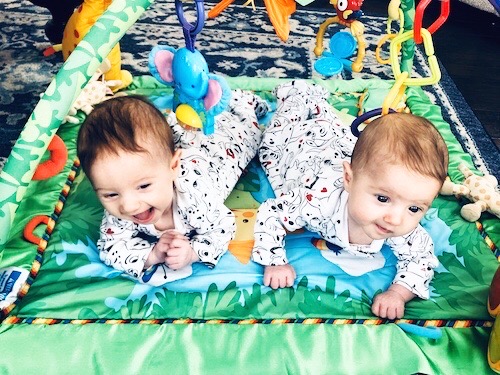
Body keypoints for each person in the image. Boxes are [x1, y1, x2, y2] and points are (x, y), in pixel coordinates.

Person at [252, 80, 449, 319]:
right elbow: (272, 214)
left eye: (415, 208)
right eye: (382, 198)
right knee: (276, 136)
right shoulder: (318, 202)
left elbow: (421, 258)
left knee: (352, 143)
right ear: (349, 179)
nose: (396, 218)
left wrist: (398, 293)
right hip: (301, 151)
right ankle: (298, 93)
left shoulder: (404, 226)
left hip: (341, 149)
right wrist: (275, 262)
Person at [77, 91, 267, 284]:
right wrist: (153, 254)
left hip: (219, 149)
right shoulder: (120, 209)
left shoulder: (195, 198)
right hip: (178, 145)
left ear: (173, 167)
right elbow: (111, 247)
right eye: (110, 194)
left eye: (143, 186)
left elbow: (223, 226)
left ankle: (239, 99)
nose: (129, 206)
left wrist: (193, 252)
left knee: (247, 133)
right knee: (169, 134)